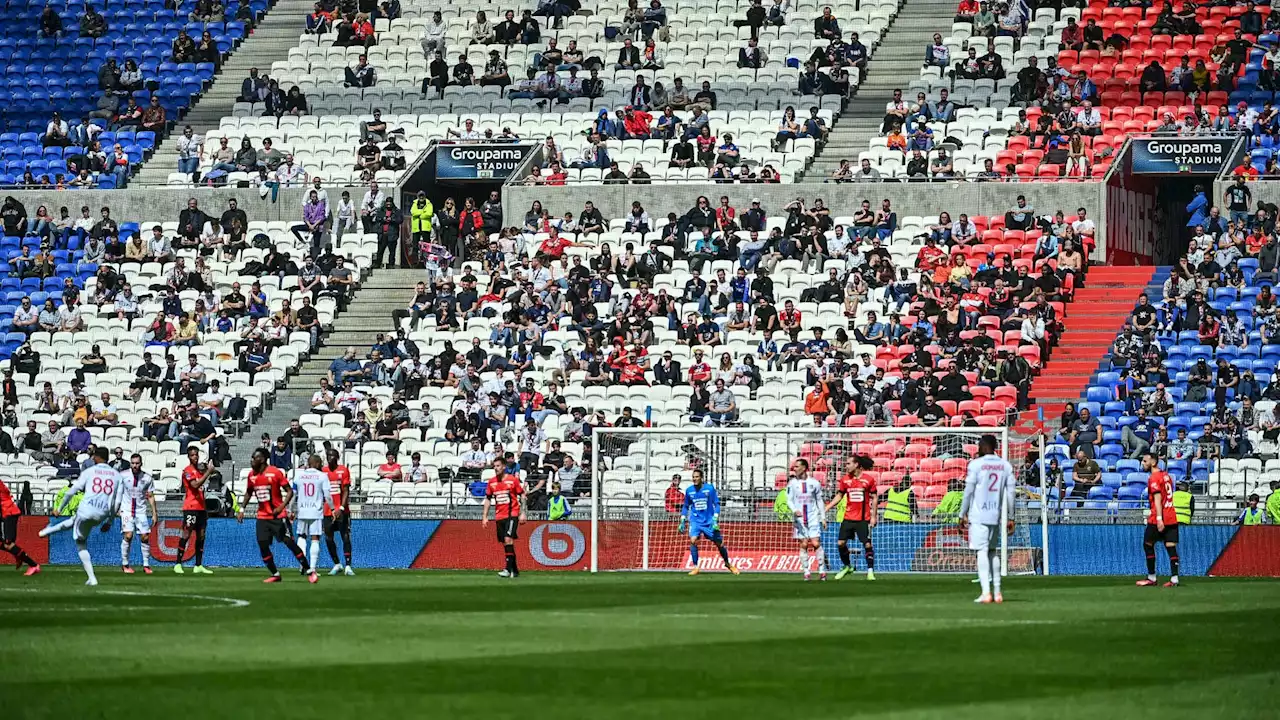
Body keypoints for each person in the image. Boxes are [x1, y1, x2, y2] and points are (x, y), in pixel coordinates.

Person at [37, 447, 124, 586]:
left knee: (80, 542)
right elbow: (117, 502)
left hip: (86, 509)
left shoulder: (90, 471)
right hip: (102, 513)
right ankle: (48, 531)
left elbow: (72, 491)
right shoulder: (117, 476)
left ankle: (92, 578)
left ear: (96, 457)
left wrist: (59, 508)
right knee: (74, 521)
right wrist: (110, 521)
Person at [237, 447, 315, 583]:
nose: (251, 461)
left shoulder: (275, 473)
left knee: (289, 542)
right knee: (262, 544)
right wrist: (242, 509)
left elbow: (289, 491)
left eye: (254, 458)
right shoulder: (252, 475)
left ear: (261, 459)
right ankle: (275, 573)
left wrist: (281, 507)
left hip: (278, 516)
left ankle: (308, 569)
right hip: (262, 516)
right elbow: (249, 492)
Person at [959, 434, 1014, 604]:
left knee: (981, 551)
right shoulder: (1005, 466)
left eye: (979, 445)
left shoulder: (976, 465)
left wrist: (962, 513)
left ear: (984, 446)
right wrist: (1011, 516)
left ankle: (985, 592)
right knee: (992, 551)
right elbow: (1011, 493)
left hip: (979, 515)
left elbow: (968, 491)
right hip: (995, 515)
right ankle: (997, 592)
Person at [678, 468, 741, 575]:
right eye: (693, 477)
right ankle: (696, 567)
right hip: (695, 521)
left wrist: (715, 519)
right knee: (693, 540)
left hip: (708, 522)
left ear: (702, 478)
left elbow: (716, 504)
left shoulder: (709, 489)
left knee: (719, 544)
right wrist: (682, 520)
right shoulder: (689, 490)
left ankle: (727, 564)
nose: (695, 479)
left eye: (697, 477)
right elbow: (686, 506)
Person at [825, 454, 877, 581]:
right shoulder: (845, 480)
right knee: (841, 543)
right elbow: (839, 495)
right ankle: (847, 566)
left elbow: (875, 497)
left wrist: (873, 516)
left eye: (848, 463)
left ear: (856, 465)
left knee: (867, 544)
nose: (846, 466)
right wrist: (827, 507)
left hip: (863, 519)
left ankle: (870, 571)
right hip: (848, 517)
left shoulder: (868, 480)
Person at [1136, 452, 1179, 588]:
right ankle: (1174, 578)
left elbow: (1158, 498)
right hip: (1171, 515)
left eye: (1144, 461)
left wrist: (1159, 519)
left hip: (1158, 516)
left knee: (1148, 544)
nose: (1143, 463)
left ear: (1153, 462)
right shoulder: (1166, 476)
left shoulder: (1154, 478)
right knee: (1171, 546)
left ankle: (1151, 577)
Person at [481, 456, 526, 578]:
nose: (496, 468)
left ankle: (507, 569)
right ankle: (515, 570)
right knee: (506, 543)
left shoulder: (512, 480)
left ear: (504, 466)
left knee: (508, 539)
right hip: (499, 516)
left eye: (498, 466)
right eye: (494, 466)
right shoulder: (492, 482)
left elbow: (522, 495)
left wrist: (523, 512)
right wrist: (484, 516)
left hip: (512, 514)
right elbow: (488, 499)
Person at [291, 454, 334, 577]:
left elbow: (293, 495)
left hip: (302, 510)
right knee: (315, 538)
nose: (321, 465)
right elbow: (327, 495)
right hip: (316, 511)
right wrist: (332, 509)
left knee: (302, 537)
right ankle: (313, 568)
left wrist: (290, 509)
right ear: (316, 463)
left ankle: (302, 565)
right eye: (320, 463)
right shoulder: (322, 476)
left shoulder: (299, 476)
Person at [173, 446, 214, 574]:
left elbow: (211, 473)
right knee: (186, 534)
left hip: (201, 507)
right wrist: (208, 472)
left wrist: (209, 469)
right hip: (191, 507)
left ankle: (198, 565)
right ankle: (178, 564)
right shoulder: (187, 471)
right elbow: (195, 485)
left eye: (196, 455)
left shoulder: (199, 470)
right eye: (192, 455)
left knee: (201, 535)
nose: (195, 457)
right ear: (188, 457)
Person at [786, 458, 826, 581]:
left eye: (797, 467)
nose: (794, 469)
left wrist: (823, 517)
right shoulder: (792, 483)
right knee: (803, 544)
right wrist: (794, 510)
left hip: (813, 516)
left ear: (804, 468)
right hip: (799, 518)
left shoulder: (814, 483)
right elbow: (789, 500)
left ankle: (822, 570)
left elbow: (819, 500)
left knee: (816, 543)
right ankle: (806, 571)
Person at [117, 453, 157, 575]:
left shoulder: (147, 478)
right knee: (128, 536)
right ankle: (125, 564)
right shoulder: (123, 475)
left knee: (145, 537)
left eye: (137, 463)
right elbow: (117, 492)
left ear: (141, 463)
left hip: (140, 511)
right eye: (133, 463)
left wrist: (154, 513)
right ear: (130, 463)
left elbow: (150, 496)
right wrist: (116, 508)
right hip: (126, 510)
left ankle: (146, 565)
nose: (135, 465)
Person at [323, 447, 355, 575]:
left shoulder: (343, 470)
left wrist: (341, 508)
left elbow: (346, 490)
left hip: (342, 510)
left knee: (345, 536)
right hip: (327, 511)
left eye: (332, 456)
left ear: (337, 457)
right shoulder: (323, 471)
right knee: (328, 538)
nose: (329, 458)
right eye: (328, 455)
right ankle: (337, 564)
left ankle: (348, 565)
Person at [0, 477, 40, 575]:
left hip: (9, 513)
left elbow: (5, 494)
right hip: (5, 513)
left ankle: (33, 565)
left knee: (8, 544)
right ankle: (18, 555)